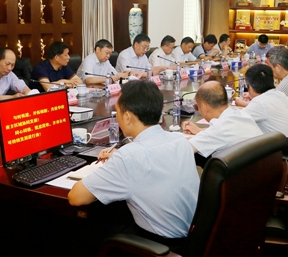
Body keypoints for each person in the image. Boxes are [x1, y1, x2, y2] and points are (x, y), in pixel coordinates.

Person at [68, 81, 199, 246]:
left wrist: (114, 164)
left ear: (127, 117)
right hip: (190, 238)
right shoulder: (179, 140)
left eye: (117, 112)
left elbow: (76, 198)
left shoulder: (128, 157)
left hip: (158, 247)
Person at [183, 81, 262, 158]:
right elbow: (225, 132)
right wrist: (200, 132)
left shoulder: (219, 128)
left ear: (204, 107)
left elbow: (184, 149)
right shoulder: (242, 115)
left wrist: (186, 139)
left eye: (198, 107)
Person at [237, 64, 288, 140]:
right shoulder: (280, 94)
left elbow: (235, 120)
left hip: (285, 146)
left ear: (251, 88)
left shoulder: (260, 103)